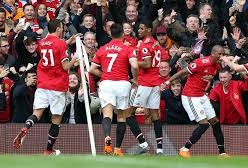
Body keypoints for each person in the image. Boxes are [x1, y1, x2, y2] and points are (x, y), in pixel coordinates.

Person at [13, 19, 77, 155]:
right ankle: (48, 150)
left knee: (37, 113)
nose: (63, 29)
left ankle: (26, 127)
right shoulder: (60, 44)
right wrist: (74, 59)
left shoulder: (42, 43)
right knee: (56, 119)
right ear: (58, 29)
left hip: (42, 85)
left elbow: (52, 49)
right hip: (57, 86)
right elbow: (65, 66)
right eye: (62, 28)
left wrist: (66, 42)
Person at [161, 45, 229, 158]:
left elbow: (208, 79)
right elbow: (183, 72)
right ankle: (184, 149)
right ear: (213, 53)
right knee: (204, 124)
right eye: (220, 54)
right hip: (190, 96)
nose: (222, 57)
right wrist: (167, 82)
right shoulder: (201, 62)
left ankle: (222, 153)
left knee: (215, 122)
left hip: (201, 95)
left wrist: (209, 83)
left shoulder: (216, 66)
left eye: (223, 54)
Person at [89, 23, 139, 156]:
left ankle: (107, 136)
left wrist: (104, 75)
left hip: (107, 84)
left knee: (107, 114)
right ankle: (117, 148)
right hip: (123, 83)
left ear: (110, 34)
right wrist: (135, 79)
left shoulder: (102, 49)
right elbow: (134, 66)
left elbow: (92, 69)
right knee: (122, 116)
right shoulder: (128, 48)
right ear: (123, 34)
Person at [128, 20, 168, 154]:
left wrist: (134, 60)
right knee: (155, 115)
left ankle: (143, 143)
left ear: (149, 30)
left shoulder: (145, 45)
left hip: (145, 83)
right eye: (138, 28)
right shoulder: (155, 43)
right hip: (155, 82)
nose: (139, 30)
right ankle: (160, 149)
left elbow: (147, 63)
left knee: (128, 114)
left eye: (141, 28)